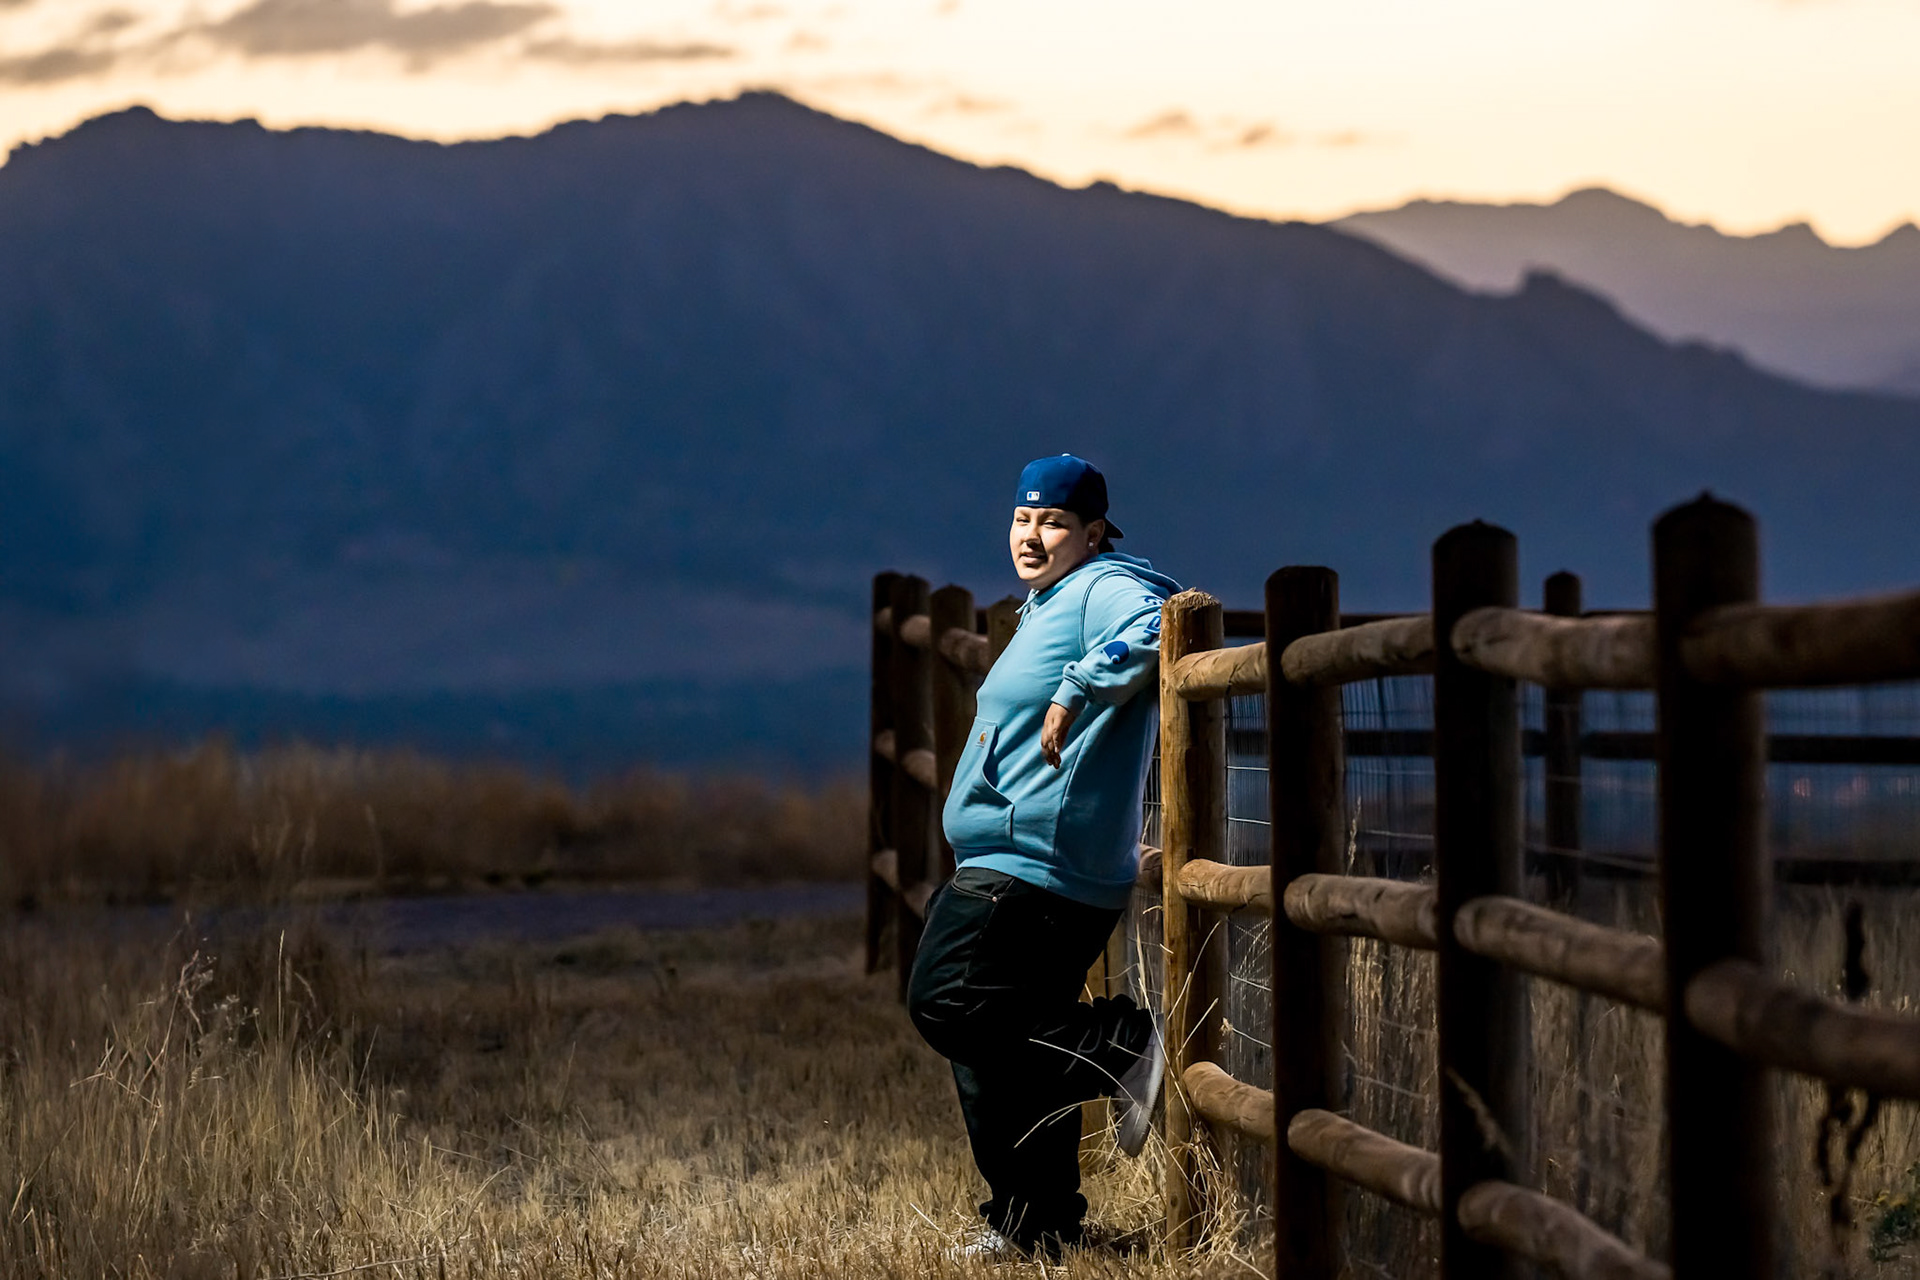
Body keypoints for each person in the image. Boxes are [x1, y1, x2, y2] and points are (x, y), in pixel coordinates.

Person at [907, 453, 1178, 1261]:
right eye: (1023, 518)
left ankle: (1120, 1046)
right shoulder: (1048, 602)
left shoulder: (1103, 585)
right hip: (1016, 857)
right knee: (991, 1054)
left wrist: (1076, 687)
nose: (1031, 535)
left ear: (1092, 533)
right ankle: (1037, 1225)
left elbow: (1161, 620)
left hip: (1037, 864)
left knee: (947, 1001)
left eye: (1053, 522)